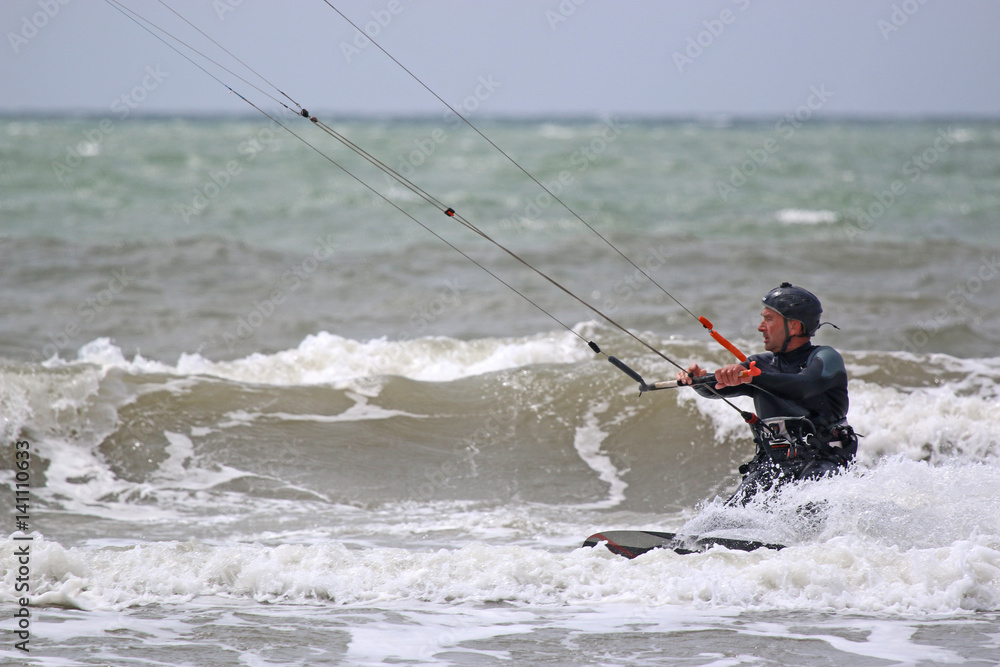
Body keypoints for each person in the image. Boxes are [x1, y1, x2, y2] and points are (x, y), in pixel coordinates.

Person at [676, 282, 857, 505]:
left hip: (823, 461)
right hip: (772, 467)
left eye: (769, 319)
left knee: (805, 512)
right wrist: (697, 381)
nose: (761, 327)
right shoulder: (759, 364)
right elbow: (719, 388)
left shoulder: (826, 358)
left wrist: (754, 377)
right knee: (723, 519)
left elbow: (803, 386)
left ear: (794, 326)